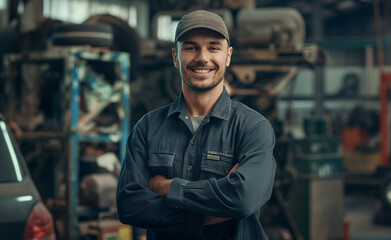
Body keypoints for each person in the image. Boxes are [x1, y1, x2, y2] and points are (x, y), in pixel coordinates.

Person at [116, 9, 276, 240]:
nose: (202, 57)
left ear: (228, 56)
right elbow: (129, 205)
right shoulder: (147, 127)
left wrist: (168, 188)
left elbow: (242, 198)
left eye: (213, 47)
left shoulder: (253, 127)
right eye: (191, 47)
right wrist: (208, 215)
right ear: (175, 56)